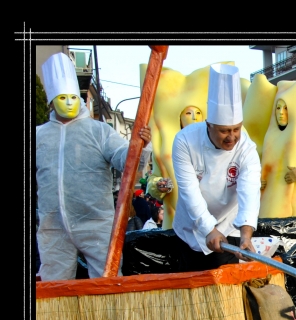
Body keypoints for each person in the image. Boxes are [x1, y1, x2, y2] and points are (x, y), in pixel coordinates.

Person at [36, 52, 152, 281]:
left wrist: (139, 146)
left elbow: (125, 160)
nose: (69, 102)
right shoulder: (38, 136)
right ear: (51, 100)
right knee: (55, 290)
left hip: (96, 224)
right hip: (52, 227)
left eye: (72, 96)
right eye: (62, 97)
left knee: (106, 285)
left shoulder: (99, 131)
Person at [170, 64, 261, 270]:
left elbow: (250, 189)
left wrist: (246, 234)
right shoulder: (185, 141)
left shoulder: (246, 148)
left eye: (236, 129)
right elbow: (189, 191)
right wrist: (208, 229)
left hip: (228, 228)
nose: (232, 137)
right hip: (190, 228)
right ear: (209, 125)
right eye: (224, 131)